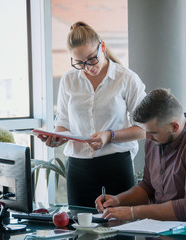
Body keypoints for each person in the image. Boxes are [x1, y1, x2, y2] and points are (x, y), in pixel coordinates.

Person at [95, 88, 186, 227]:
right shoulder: (155, 140)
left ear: (174, 126)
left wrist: (133, 212)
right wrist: (119, 200)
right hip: (170, 229)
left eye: (152, 132)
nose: (146, 137)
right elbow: (148, 187)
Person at [38, 21, 146, 207]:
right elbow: (63, 123)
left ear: (102, 47)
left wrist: (110, 136)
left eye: (91, 59)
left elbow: (144, 129)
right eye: (79, 63)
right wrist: (58, 137)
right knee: (80, 231)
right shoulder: (69, 80)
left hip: (117, 166)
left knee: (120, 230)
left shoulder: (126, 78)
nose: (88, 67)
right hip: (78, 169)